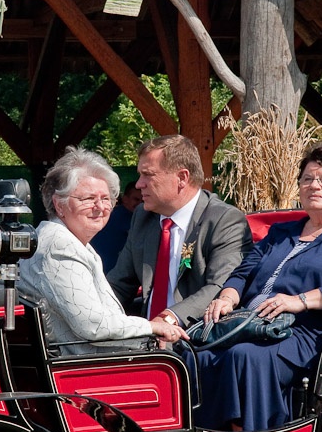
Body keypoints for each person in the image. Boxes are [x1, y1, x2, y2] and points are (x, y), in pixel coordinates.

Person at [196, 142, 322, 432]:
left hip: (306, 331)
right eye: (307, 179)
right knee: (199, 354)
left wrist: (300, 300)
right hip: (247, 323)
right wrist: (227, 297)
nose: (314, 185)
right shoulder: (281, 232)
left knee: (244, 356)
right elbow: (244, 272)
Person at [17, 146, 188, 355]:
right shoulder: (59, 246)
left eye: (106, 199)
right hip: (86, 365)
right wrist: (152, 327)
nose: (100, 207)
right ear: (59, 205)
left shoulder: (67, 240)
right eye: (88, 199)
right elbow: (94, 325)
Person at [107, 134, 253, 330]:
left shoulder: (224, 220)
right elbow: (119, 284)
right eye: (140, 175)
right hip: (147, 333)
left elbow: (221, 286)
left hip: (194, 335)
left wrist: (169, 319)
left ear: (182, 178)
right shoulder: (143, 216)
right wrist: (90, 314)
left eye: (148, 175)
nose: (139, 184)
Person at [91, 181, 142, 272]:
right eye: (136, 199)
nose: (140, 204)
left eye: (143, 201)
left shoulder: (107, 215)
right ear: (125, 199)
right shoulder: (128, 219)